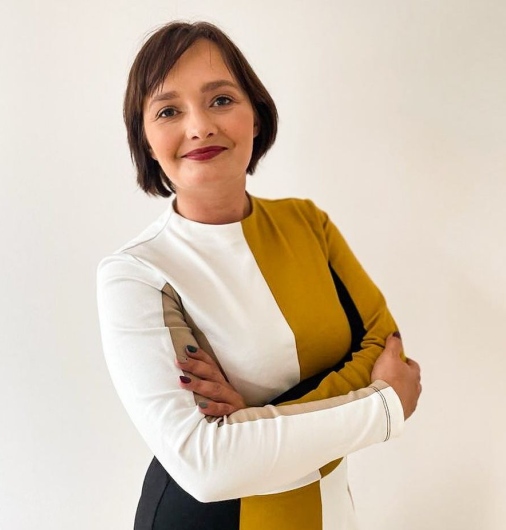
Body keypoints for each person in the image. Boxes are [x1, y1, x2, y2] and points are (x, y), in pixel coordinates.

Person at [97, 20, 421, 530]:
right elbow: (207, 465)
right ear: (147, 141)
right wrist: (382, 408)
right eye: (168, 111)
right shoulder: (136, 274)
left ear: (256, 116)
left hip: (331, 511)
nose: (200, 126)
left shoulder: (307, 223)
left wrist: (250, 420)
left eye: (221, 100)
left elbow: (387, 348)